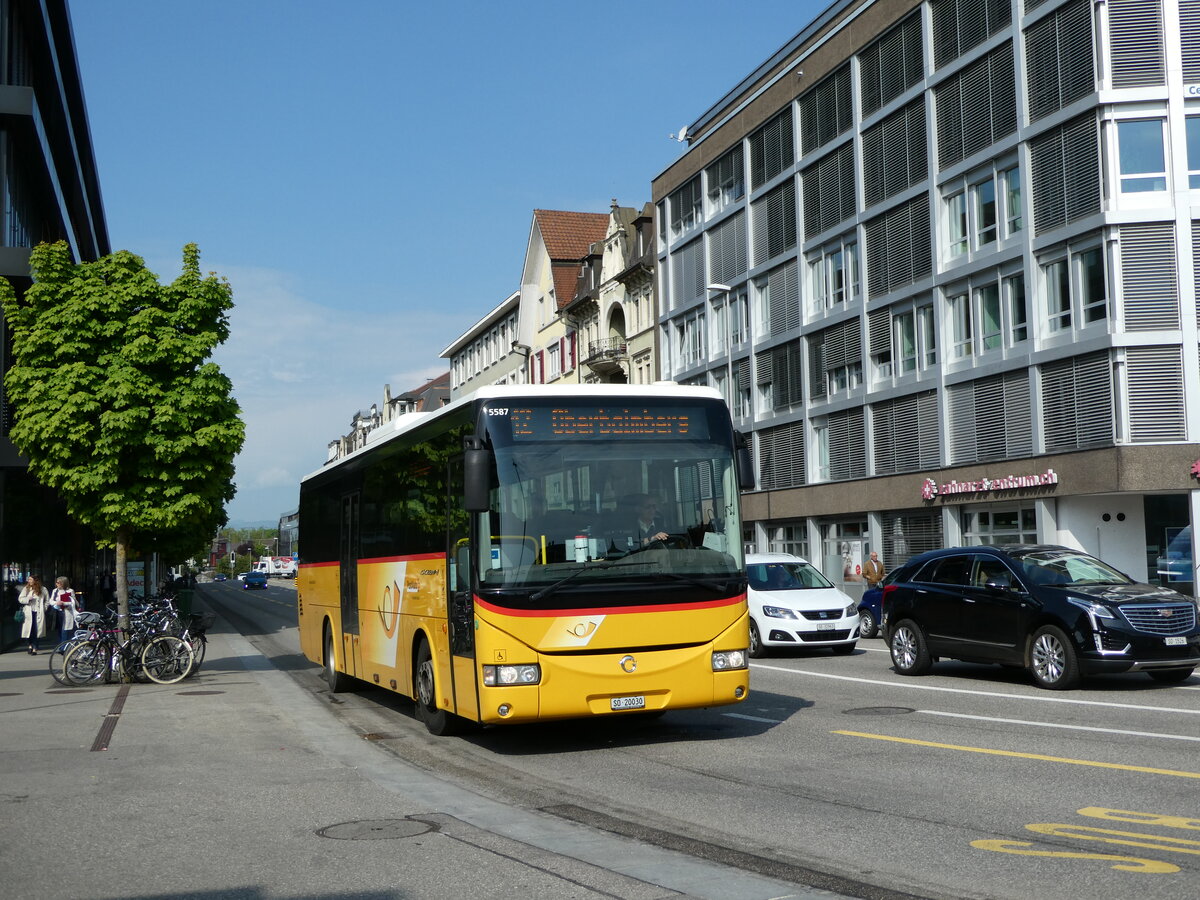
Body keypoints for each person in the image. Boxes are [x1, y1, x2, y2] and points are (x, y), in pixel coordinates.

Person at [18, 574, 50, 655]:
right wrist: (27, 599)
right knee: (28, 631)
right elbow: (20, 599)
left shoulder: (43, 589)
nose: (29, 581)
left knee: (37, 631)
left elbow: (47, 601)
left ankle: (35, 648)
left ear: (36, 580)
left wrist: (44, 608)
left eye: (30, 579)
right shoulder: (26, 588)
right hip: (28, 613)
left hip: (38, 612)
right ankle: (30, 645)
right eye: (28, 579)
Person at [49, 576, 81, 643]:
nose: (56, 584)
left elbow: (73, 602)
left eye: (58, 583)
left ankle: (63, 647)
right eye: (56, 583)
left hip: (67, 612)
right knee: (59, 629)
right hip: (58, 612)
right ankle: (61, 644)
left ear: (63, 583)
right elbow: (51, 601)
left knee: (65, 630)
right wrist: (56, 603)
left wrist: (64, 603)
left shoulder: (70, 591)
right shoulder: (55, 591)